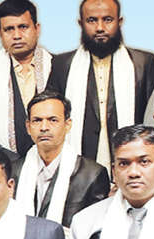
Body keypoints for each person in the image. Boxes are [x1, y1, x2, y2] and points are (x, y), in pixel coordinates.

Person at [49, 0, 154, 168]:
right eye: (92, 20)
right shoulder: (62, 65)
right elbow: (53, 117)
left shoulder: (143, 63)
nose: (100, 27)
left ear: (120, 22)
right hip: (80, 165)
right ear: (80, 23)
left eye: (108, 20)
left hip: (132, 163)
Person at [13, 91, 111, 227]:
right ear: (28, 127)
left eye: (53, 120)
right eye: (37, 120)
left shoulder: (92, 175)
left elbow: (95, 230)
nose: (44, 127)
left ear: (67, 125)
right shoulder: (13, 172)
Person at [0, 0, 52, 153]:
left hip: (53, 160)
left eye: (23, 27)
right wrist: (9, 160)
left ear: (37, 29)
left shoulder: (58, 66)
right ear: (0, 33)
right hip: (4, 162)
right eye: (9, 29)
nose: (17, 35)